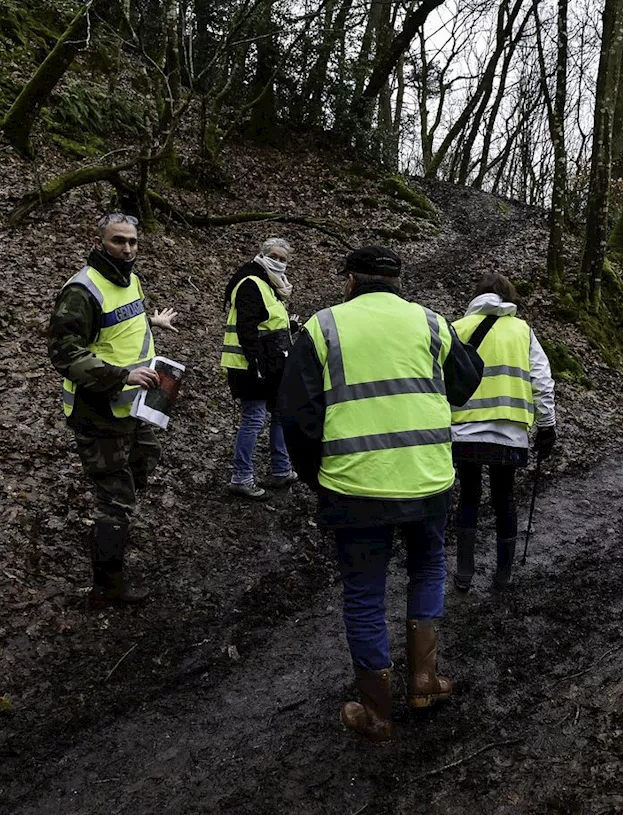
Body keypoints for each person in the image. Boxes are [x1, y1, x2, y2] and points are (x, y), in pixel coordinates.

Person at [278, 245, 482, 743]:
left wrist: (316, 475)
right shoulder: (431, 324)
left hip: (355, 486)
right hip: (427, 481)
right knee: (428, 568)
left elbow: (296, 417)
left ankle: (377, 710)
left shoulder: (323, 327)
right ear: (398, 282)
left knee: (365, 595)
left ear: (350, 280)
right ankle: (425, 681)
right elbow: (466, 382)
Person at [48, 212, 179, 608]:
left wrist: (152, 322)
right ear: (99, 240)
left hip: (134, 408)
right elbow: (64, 353)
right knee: (116, 496)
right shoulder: (81, 291)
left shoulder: (130, 279)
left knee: (143, 464)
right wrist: (122, 375)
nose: (127, 248)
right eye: (118, 241)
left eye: (133, 241)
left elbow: (121, 326)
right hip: (98, 409)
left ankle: (110, 528)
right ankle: (107, 588)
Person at [450, 272, 557, 591]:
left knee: (469, 496)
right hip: (509, 431)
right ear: (509, 296)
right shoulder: (522, 330)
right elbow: (541, 378)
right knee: (504, 498)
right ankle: (503, 574)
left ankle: (465, 573)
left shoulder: (457, 328)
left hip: (464, 431)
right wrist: (547, 425)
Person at [220, 238, 299, 499]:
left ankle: (282, 469)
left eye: (283, 258)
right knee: (254, 418)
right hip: (250, 366)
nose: (278, 261)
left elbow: (269, 323)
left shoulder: (271, 285)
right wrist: (255, 364)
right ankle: (241, 477)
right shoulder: (251, 283)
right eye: (274, 256)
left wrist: (291, 328)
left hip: (272, 364)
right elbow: (247, 328)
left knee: (278, 414)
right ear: (262, 255)